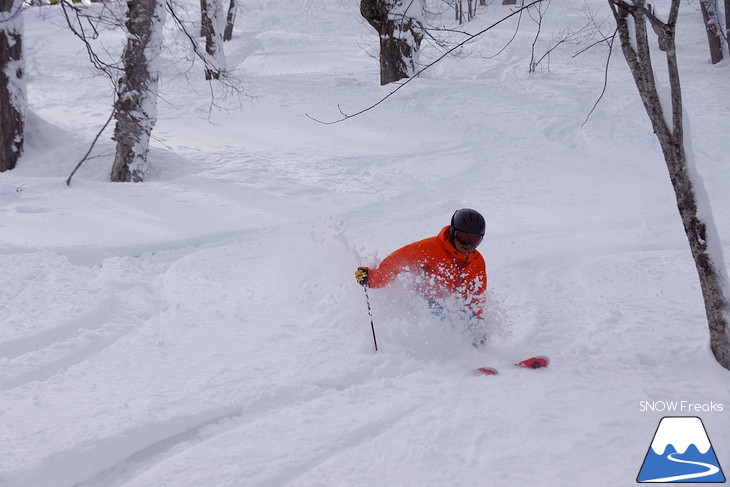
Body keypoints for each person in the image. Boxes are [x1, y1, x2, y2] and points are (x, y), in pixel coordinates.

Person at [355, 208, 488, 332]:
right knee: (444, 324)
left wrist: (478, 322)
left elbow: (477, 295)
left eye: (475, 240)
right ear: (453, 233)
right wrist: (373, 278)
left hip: (455, 306)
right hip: (427, 303)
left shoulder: (477, 261)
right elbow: (397, 262)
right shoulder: (430, 248)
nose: (469, 246)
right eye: (464, 239)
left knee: (474, 330)